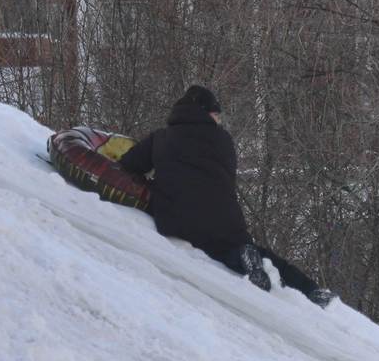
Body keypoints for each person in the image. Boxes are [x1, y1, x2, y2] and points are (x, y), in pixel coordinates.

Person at [119, 85, 334, 307]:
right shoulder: (223, 140)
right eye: (215, 114)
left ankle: (241, 257)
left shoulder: (160, 138)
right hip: (223, 218)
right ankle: (312, 291)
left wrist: (156, 185)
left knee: (212, 247)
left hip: (175, 217)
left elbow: (127, 165)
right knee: (242, 249)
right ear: (204, 112)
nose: (218, 119)